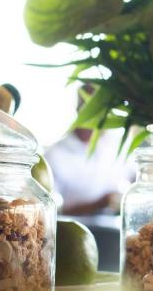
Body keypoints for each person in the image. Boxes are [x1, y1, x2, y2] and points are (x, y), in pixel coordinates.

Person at [44, 87, 135, 216]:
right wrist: (101, 203)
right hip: (74, 231)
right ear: (79, 107)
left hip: (114, 228)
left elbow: (136, 178)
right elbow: (52, 211)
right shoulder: (54, 155)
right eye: (91, 106)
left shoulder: (117, 145)